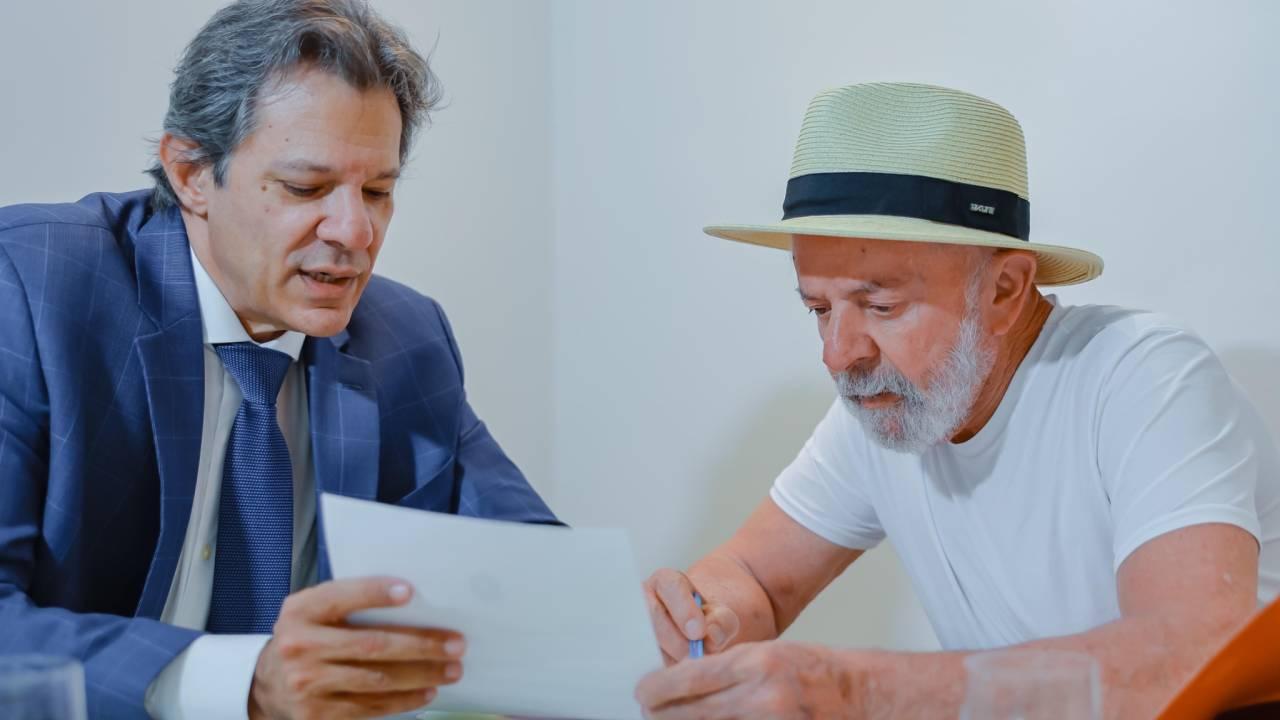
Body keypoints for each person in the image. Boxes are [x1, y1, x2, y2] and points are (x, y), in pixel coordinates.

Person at [637, 82, 1280, 719]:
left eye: (881, 306)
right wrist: (703, 613)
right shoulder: (887, 406)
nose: (838, 354)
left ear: (1004, 289)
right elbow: (753, 577)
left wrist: (855, 689)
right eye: (818, 308)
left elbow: (1194, 654)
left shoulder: (1144, 378)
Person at [0, 1, 560, 718]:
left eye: (379, 192)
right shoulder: (33, 288)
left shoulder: (405, 338)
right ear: (191, 173)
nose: (355, 230)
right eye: (306, 188)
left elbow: (528, 569)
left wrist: (658, 621)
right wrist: (244, 679)